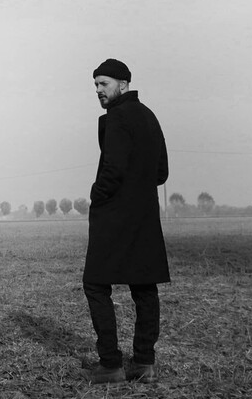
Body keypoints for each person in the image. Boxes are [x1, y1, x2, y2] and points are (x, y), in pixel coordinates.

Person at [83, 58, 169, 384]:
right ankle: (144, 363)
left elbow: (113, 170)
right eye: (95, 85)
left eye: (104, 84)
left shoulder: (118, 118)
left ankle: (111, 364)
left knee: (95, 284)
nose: (98, 90)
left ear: (123, 84)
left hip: (115, 216)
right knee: (144, 286)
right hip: (144, 216)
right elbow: (161, 172)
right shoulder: (149, 116)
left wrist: (97, 196)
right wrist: (138, 189)